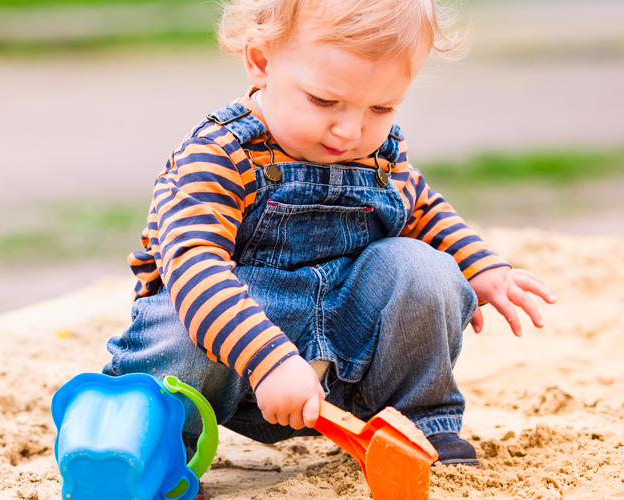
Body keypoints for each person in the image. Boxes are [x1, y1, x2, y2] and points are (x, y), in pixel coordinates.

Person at [103, 0, 556, 467]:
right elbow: (193, 267)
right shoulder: (218, 156)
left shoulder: (377, 158)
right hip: (231, 359)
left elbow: (423, 209)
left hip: (341, 356)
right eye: (324, 101)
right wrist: (267, 359)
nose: (350, 130)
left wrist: (480, 267)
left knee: (425, 269)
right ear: (261, 62)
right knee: (180, 328)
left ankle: (415, 428)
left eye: (381, 107)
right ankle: (155, 448)